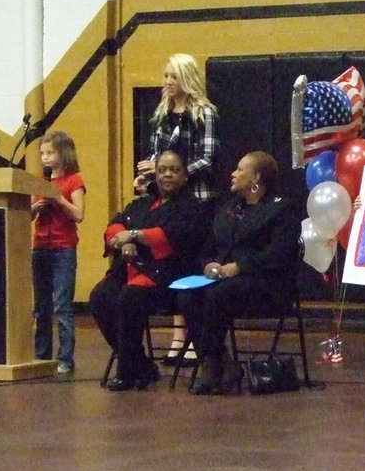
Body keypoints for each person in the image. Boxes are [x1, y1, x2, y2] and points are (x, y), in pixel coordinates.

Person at [181, 151, 301, 396]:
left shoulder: (281, 210)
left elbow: (279, 254)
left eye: (239, 170)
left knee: (218, 295)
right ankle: (220, 359)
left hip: (266, 284)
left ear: (256, 177)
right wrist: (208, 264)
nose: (233, 174)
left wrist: (239, 266)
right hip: (225, 281)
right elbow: (209, 247)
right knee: (187, 296)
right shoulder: (228, 209)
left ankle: (212, 367)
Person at [88, 151, 204, 392]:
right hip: (131, 269)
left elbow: (172, 236)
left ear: (184, 175)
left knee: (129, 299)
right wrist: (124, 241)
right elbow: (116, 224)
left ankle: (128, 371)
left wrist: (135, 235)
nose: (167, 175)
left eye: (174, 170)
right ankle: (140, 363)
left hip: (168, 275)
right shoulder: (143, 202)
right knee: (100, 297)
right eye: (162, 170)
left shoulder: (191, 207)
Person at [134, 53, 219, 363]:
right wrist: (149, 176)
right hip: (166, 199)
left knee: (193, 265)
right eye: (165, 76)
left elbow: (207, 159)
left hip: (196, 198)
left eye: (173, 76)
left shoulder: (203, 112)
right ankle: (177, 336)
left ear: (187, 78)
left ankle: (196, 337)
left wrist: (172, 171)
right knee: (172, 262)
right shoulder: (162, 114)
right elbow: (157, 156)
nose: (167, 82)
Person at [31, 131, 86, 376]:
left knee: (62, 306)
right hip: (40, 247)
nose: (45, 157)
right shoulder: (38, 181)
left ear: (62, 153)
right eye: (42, 153)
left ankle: (65, 358)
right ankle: (41, 356)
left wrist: (59, 200)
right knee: (41, 306)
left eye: (50, 152)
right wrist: (35, 207)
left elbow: (79, 214)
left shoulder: (74, 181)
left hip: (63, 248)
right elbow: (28, 215)